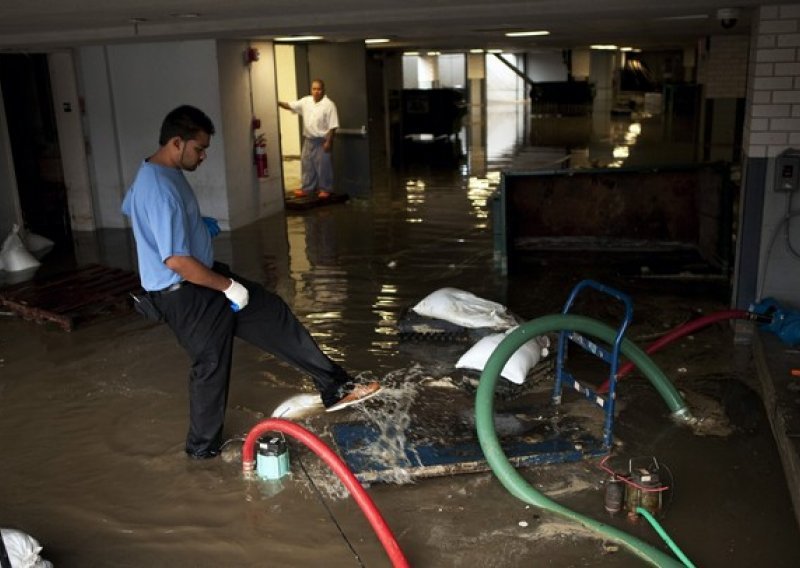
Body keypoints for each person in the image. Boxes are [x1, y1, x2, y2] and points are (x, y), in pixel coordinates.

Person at [121, 105, 380, 459]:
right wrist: (227, 287)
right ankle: (202, 452)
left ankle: (336, 386)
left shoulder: (154, 173)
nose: (204, 155)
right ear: (176, 143)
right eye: (199, 148)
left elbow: (130, 206)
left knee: (271, 312)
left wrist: (194, 225)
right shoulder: (159, 188)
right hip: (184, 293)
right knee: (211, 366)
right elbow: (177, 261)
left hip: (199, 275)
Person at [279, 79, 339, 199]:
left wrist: (328, 142)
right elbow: (290, 105)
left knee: (323, 166)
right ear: (311, 90)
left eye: (319, 89)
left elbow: (333, 126)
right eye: (314, 89)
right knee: (307, 165)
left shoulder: (329, 105)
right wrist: (277, 102)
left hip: (321, 140)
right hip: (308, 140)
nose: (316, 91)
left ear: (323, 90)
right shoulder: (306, 101)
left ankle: (325, 189)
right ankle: (307, 188)